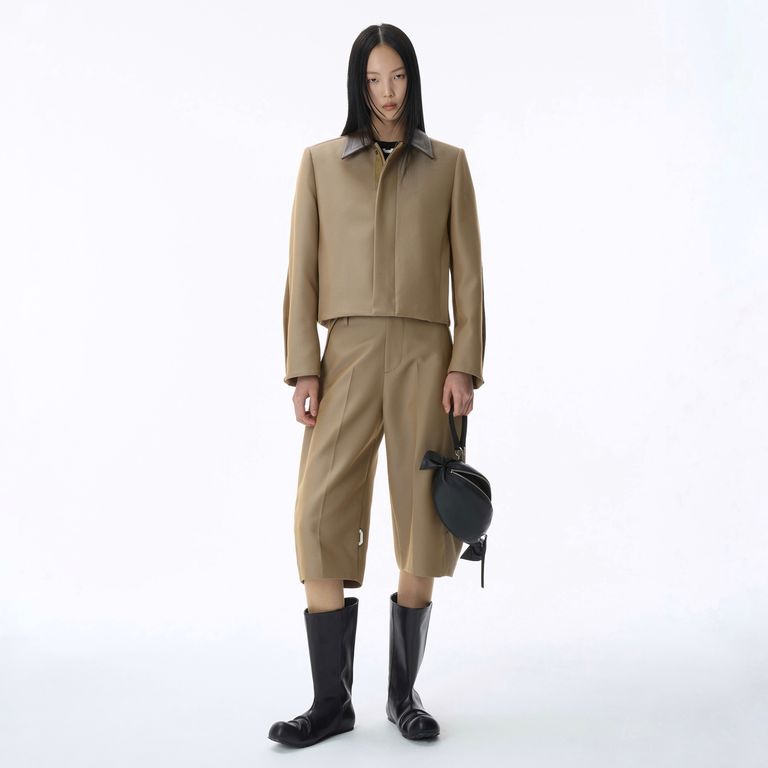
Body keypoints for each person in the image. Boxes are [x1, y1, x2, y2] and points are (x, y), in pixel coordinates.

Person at [268, 23, 486, 748]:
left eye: (397, 78)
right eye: (373, 80)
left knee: (425, 517)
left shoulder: (448, 165)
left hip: (427, 354)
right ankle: (330, 702)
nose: (387, 93)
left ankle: (402, 696)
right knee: (317, 512)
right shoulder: (319, 165)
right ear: (357, 85)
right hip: (348, 352)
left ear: (411, 79)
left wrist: (464, 364)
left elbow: (469, 277)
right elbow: (301, 271)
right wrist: (304, 364)